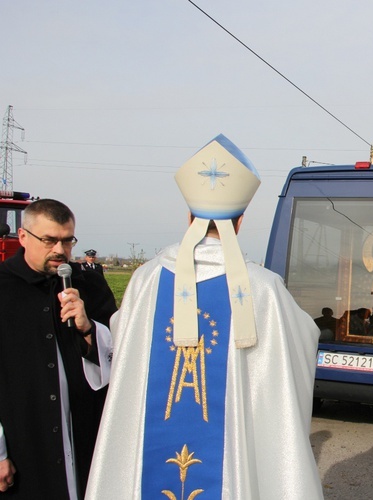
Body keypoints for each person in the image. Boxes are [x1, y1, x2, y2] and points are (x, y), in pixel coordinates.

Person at [85, 135, 324, 499]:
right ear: (240, 222)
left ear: (188, 217)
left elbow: (123, 339)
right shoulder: (263, 288)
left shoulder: (146, 279)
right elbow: (301, 343)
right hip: (231, 463)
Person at [0, 199, 116, 499]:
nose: (60, 251)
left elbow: (119, 355)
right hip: (24, 436)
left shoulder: (88, 283)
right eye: (49, 240)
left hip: (84, 430)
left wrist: (87, 327)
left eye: (67, 241)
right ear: (23, 237)